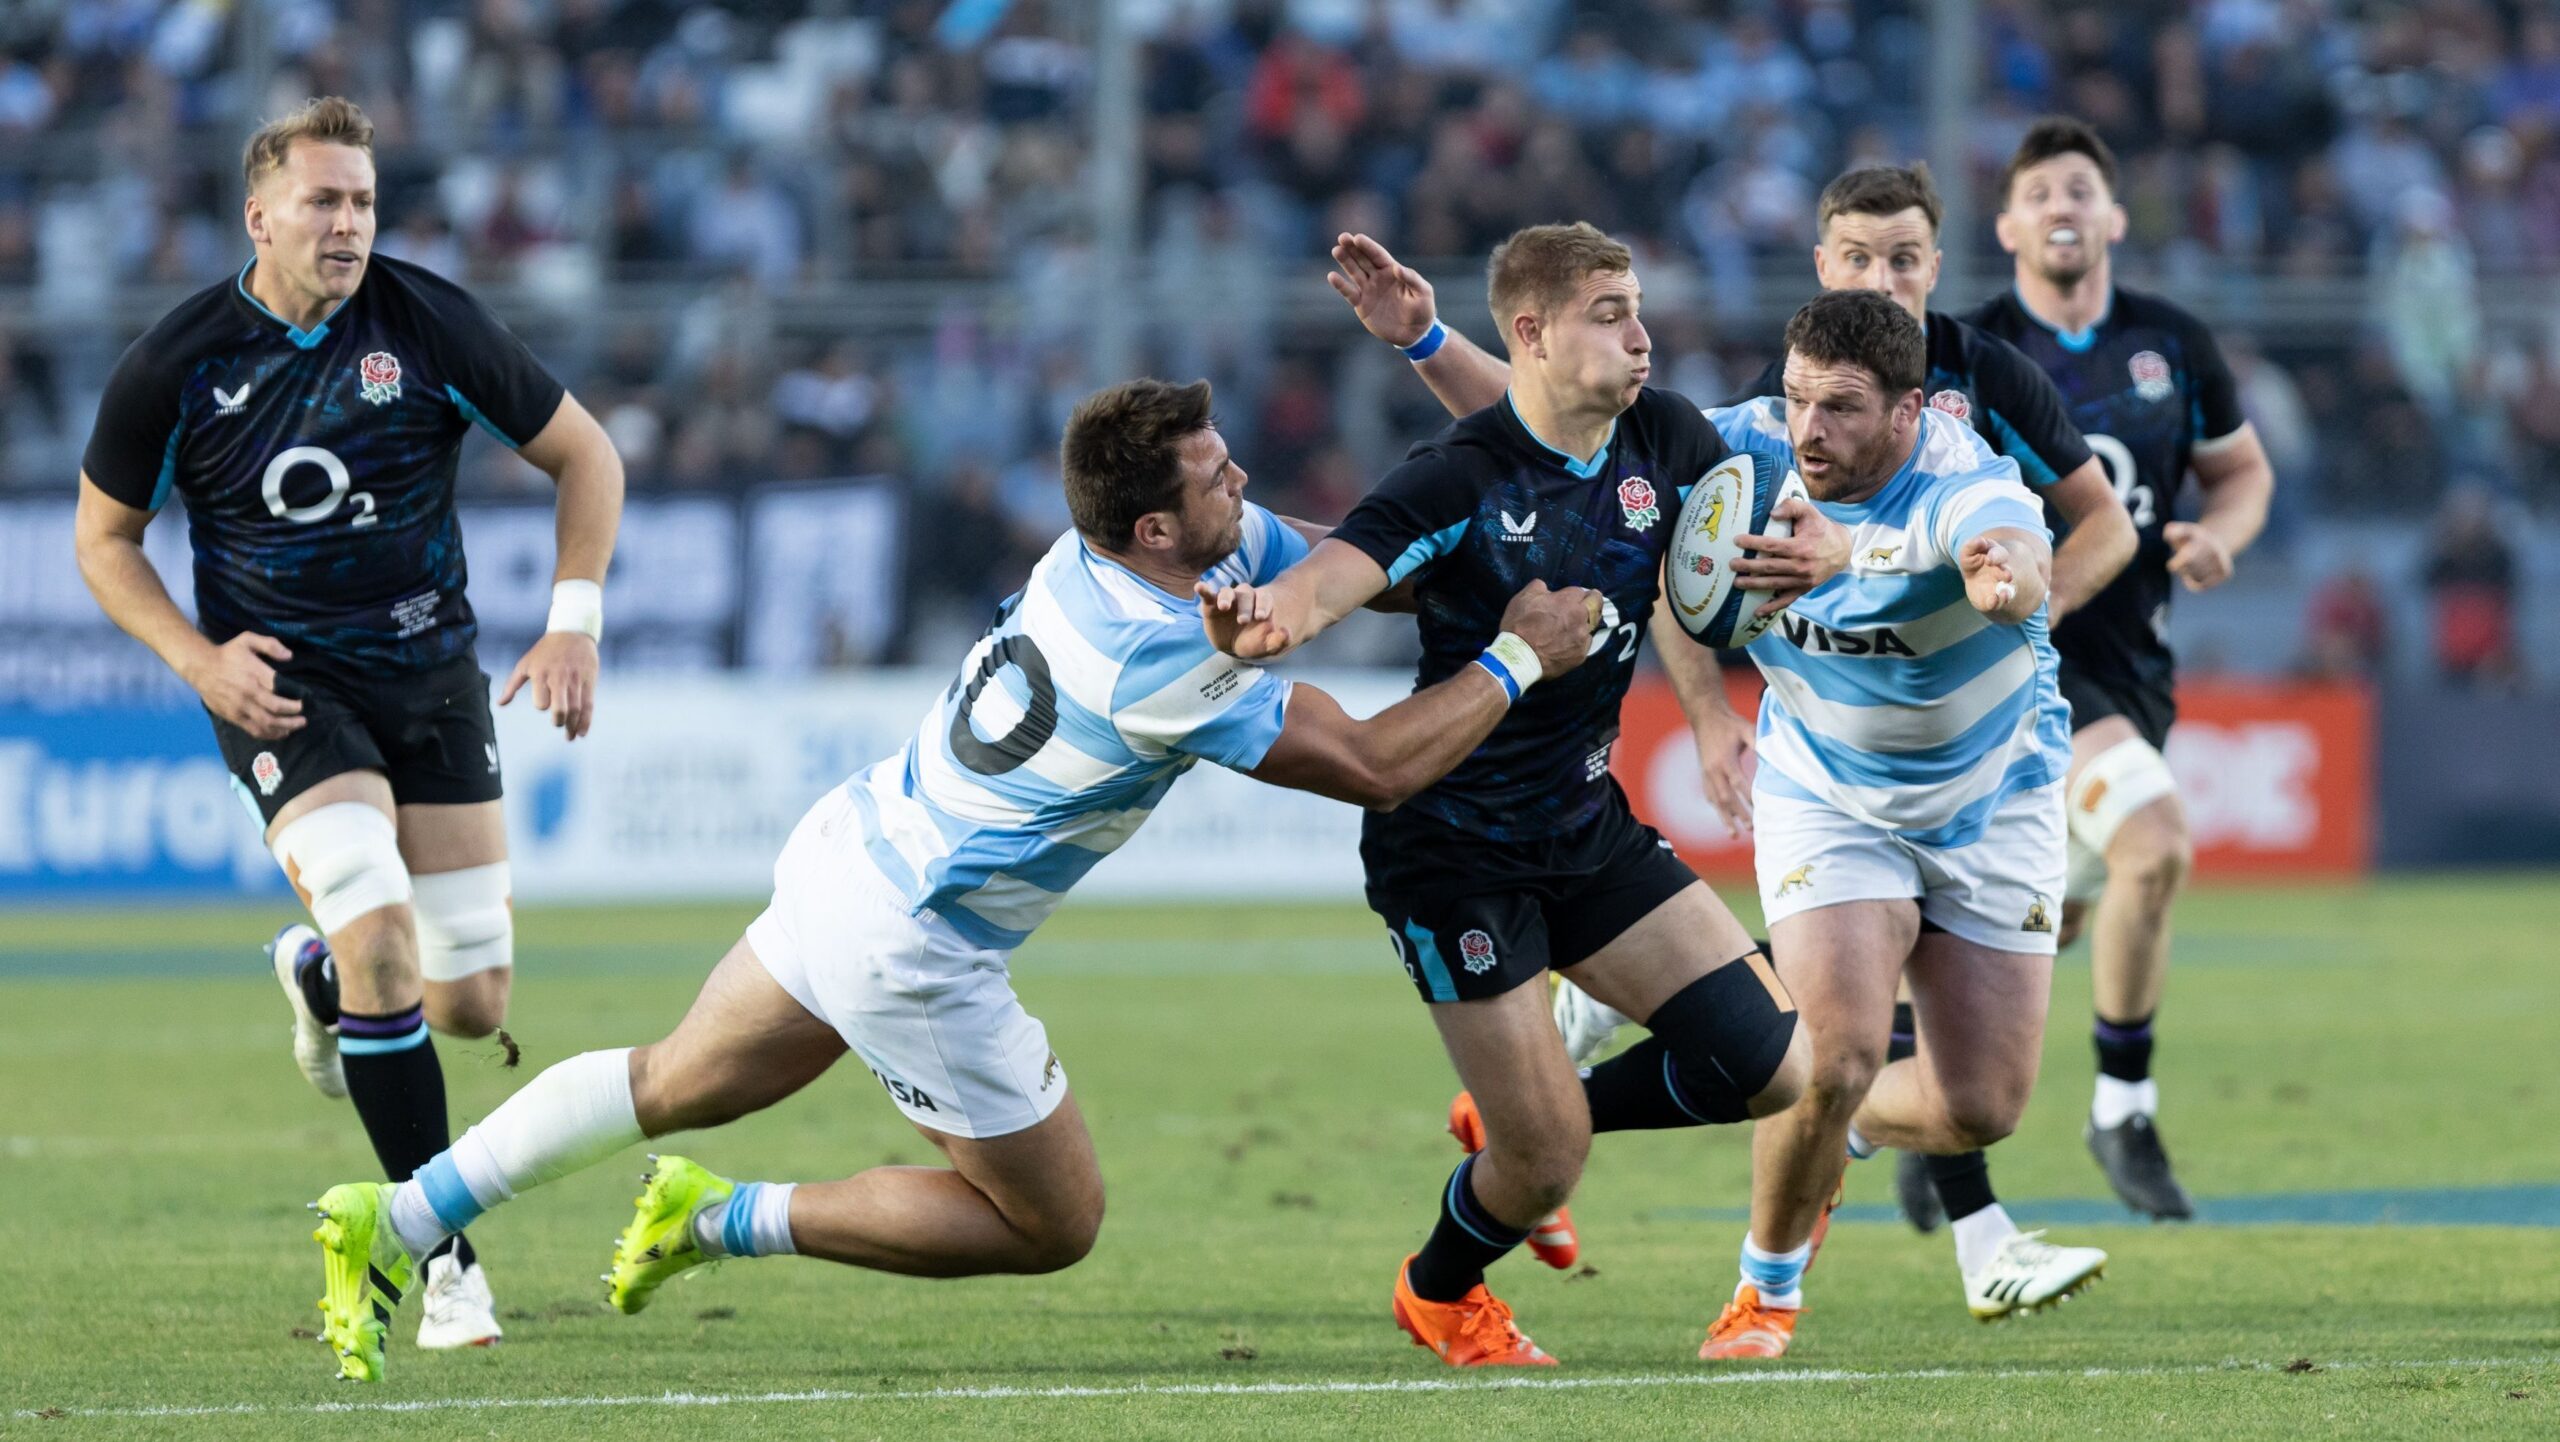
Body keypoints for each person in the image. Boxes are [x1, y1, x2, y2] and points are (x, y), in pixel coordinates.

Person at [299, 377, 1607, 1383]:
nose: (1243, 479)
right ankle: (730, 1216)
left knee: (670, 1079)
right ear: (1160, 524)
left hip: (853, 845)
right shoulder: (1158, 658)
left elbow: (1335, 565)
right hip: (912, 937)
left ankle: (397, 1215)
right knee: (1052, 1220)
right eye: (1220, 474)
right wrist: (1514, 658)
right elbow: (1377, 764)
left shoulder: (1107, 550)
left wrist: (1462, 558)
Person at [1205, 223, 1818, 1368]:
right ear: (1531, 331)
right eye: (1608, 313)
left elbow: (1758, 528)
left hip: (1585, 825)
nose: (1641, 334)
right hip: (1453, 852)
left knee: (1774, 1065)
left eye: (1638, 308)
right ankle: (1439, 1288)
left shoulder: (1666, 435)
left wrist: (1809, 552)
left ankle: (1536, 1107)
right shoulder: (1453, 476)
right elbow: (1334, 577)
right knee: (1544, 1164)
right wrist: (1269, 617)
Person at [72, 97, 625, 1350]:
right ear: (258, 217)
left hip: (430, 676)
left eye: (364, 202)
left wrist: (574, 621)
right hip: (283, 687)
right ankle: (443, 1258)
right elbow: (104, 540)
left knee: (469, 1000)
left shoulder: (426, 320)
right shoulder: (177, 364)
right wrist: (200, 661)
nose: (349, 224)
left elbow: (586, 454)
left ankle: (317, 979)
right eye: (323, 201)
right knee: (381, 936)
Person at [1542, 160, 2143, 1250]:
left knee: (1979, 1102)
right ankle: (1782, 1271)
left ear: (1935, 269)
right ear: (1822, 269)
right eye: (1859, 259)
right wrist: (1708, 712)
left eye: (1902, 258)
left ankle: (1837, 1115)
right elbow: (1610, 492)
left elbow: (2063, 536)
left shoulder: (1984, 400)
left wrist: (2001, 606)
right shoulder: (1759, 428)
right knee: (1837, 1049)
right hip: (1832, 774)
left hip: (1993, 772)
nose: (1882, 278)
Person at [1967, 118, 2276, 1218]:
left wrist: (2222, 536)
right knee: (2154, 845)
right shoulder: (1971, 350)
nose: (2061, 205)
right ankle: (2123, 1107)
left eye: (2080, 189)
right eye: (2039, 191)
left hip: (2135, 669)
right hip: (2017, 668)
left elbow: (2242, 472)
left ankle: (1933, 1099)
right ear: (2007, 225)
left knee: (2039, 914)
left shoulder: (2171, 343)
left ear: (2112, 218)